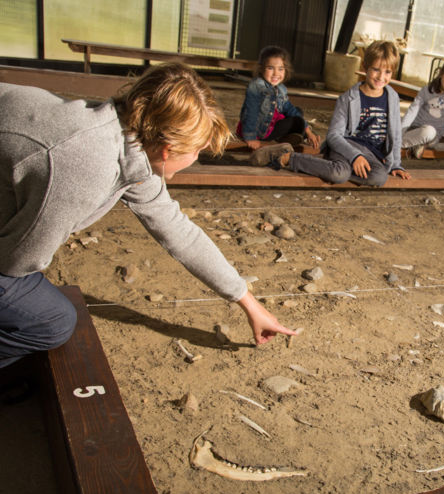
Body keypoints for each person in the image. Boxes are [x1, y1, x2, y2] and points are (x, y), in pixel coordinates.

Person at [0, 63, 296, 373]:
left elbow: (179, 232)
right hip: (11, 256)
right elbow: (14, 263)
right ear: (169, 150)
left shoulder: (129, 141)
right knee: (53, 321)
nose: (197, 158)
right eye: (197, 150)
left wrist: (249, 303)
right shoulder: (85, 165)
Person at [276, 40, 411, 186]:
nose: (381, 77)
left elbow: (396, 134)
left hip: (371, 155)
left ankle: (331, 168)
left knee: (378, 177)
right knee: (339, 174)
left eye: (387, 72)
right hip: (346, 146)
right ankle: (291, 158)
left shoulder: (392, 98)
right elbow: (334, 135)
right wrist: (355, 156)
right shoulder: (347, 98)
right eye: (376, 70)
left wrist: (396, 164)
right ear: (365, 67)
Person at [237, 46, 320, 150]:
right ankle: (295, 136)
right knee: (297, 122)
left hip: (272, 123)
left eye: (280, 69)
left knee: (297, 111)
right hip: (259, 131)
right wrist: (250, 137)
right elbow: (251, 112)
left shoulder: (280, 89)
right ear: (261, 69)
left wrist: (309, 132)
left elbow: (289, 109)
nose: (276, 73)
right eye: (270, 68)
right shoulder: (257, 86)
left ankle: (298, 135)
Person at [400, 55, 444, 159]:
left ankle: (398, 144)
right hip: (413, 129)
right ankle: (404, 143)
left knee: (429, 131)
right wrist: (399, 132)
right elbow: (411, 112)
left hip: (432, 136)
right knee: (395, 121)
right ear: (441, 73)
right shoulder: (427, 90)